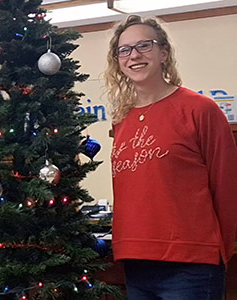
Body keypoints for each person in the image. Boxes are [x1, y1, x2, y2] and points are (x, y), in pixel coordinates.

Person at [105, 15, 237, 300]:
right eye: (124, 49)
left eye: (144, 45)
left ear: (164, 52)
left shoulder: (199, 110)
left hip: (191, 263)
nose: (134, 55)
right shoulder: (122, 120)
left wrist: (219, 252)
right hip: (136, 260)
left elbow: (227, 187)